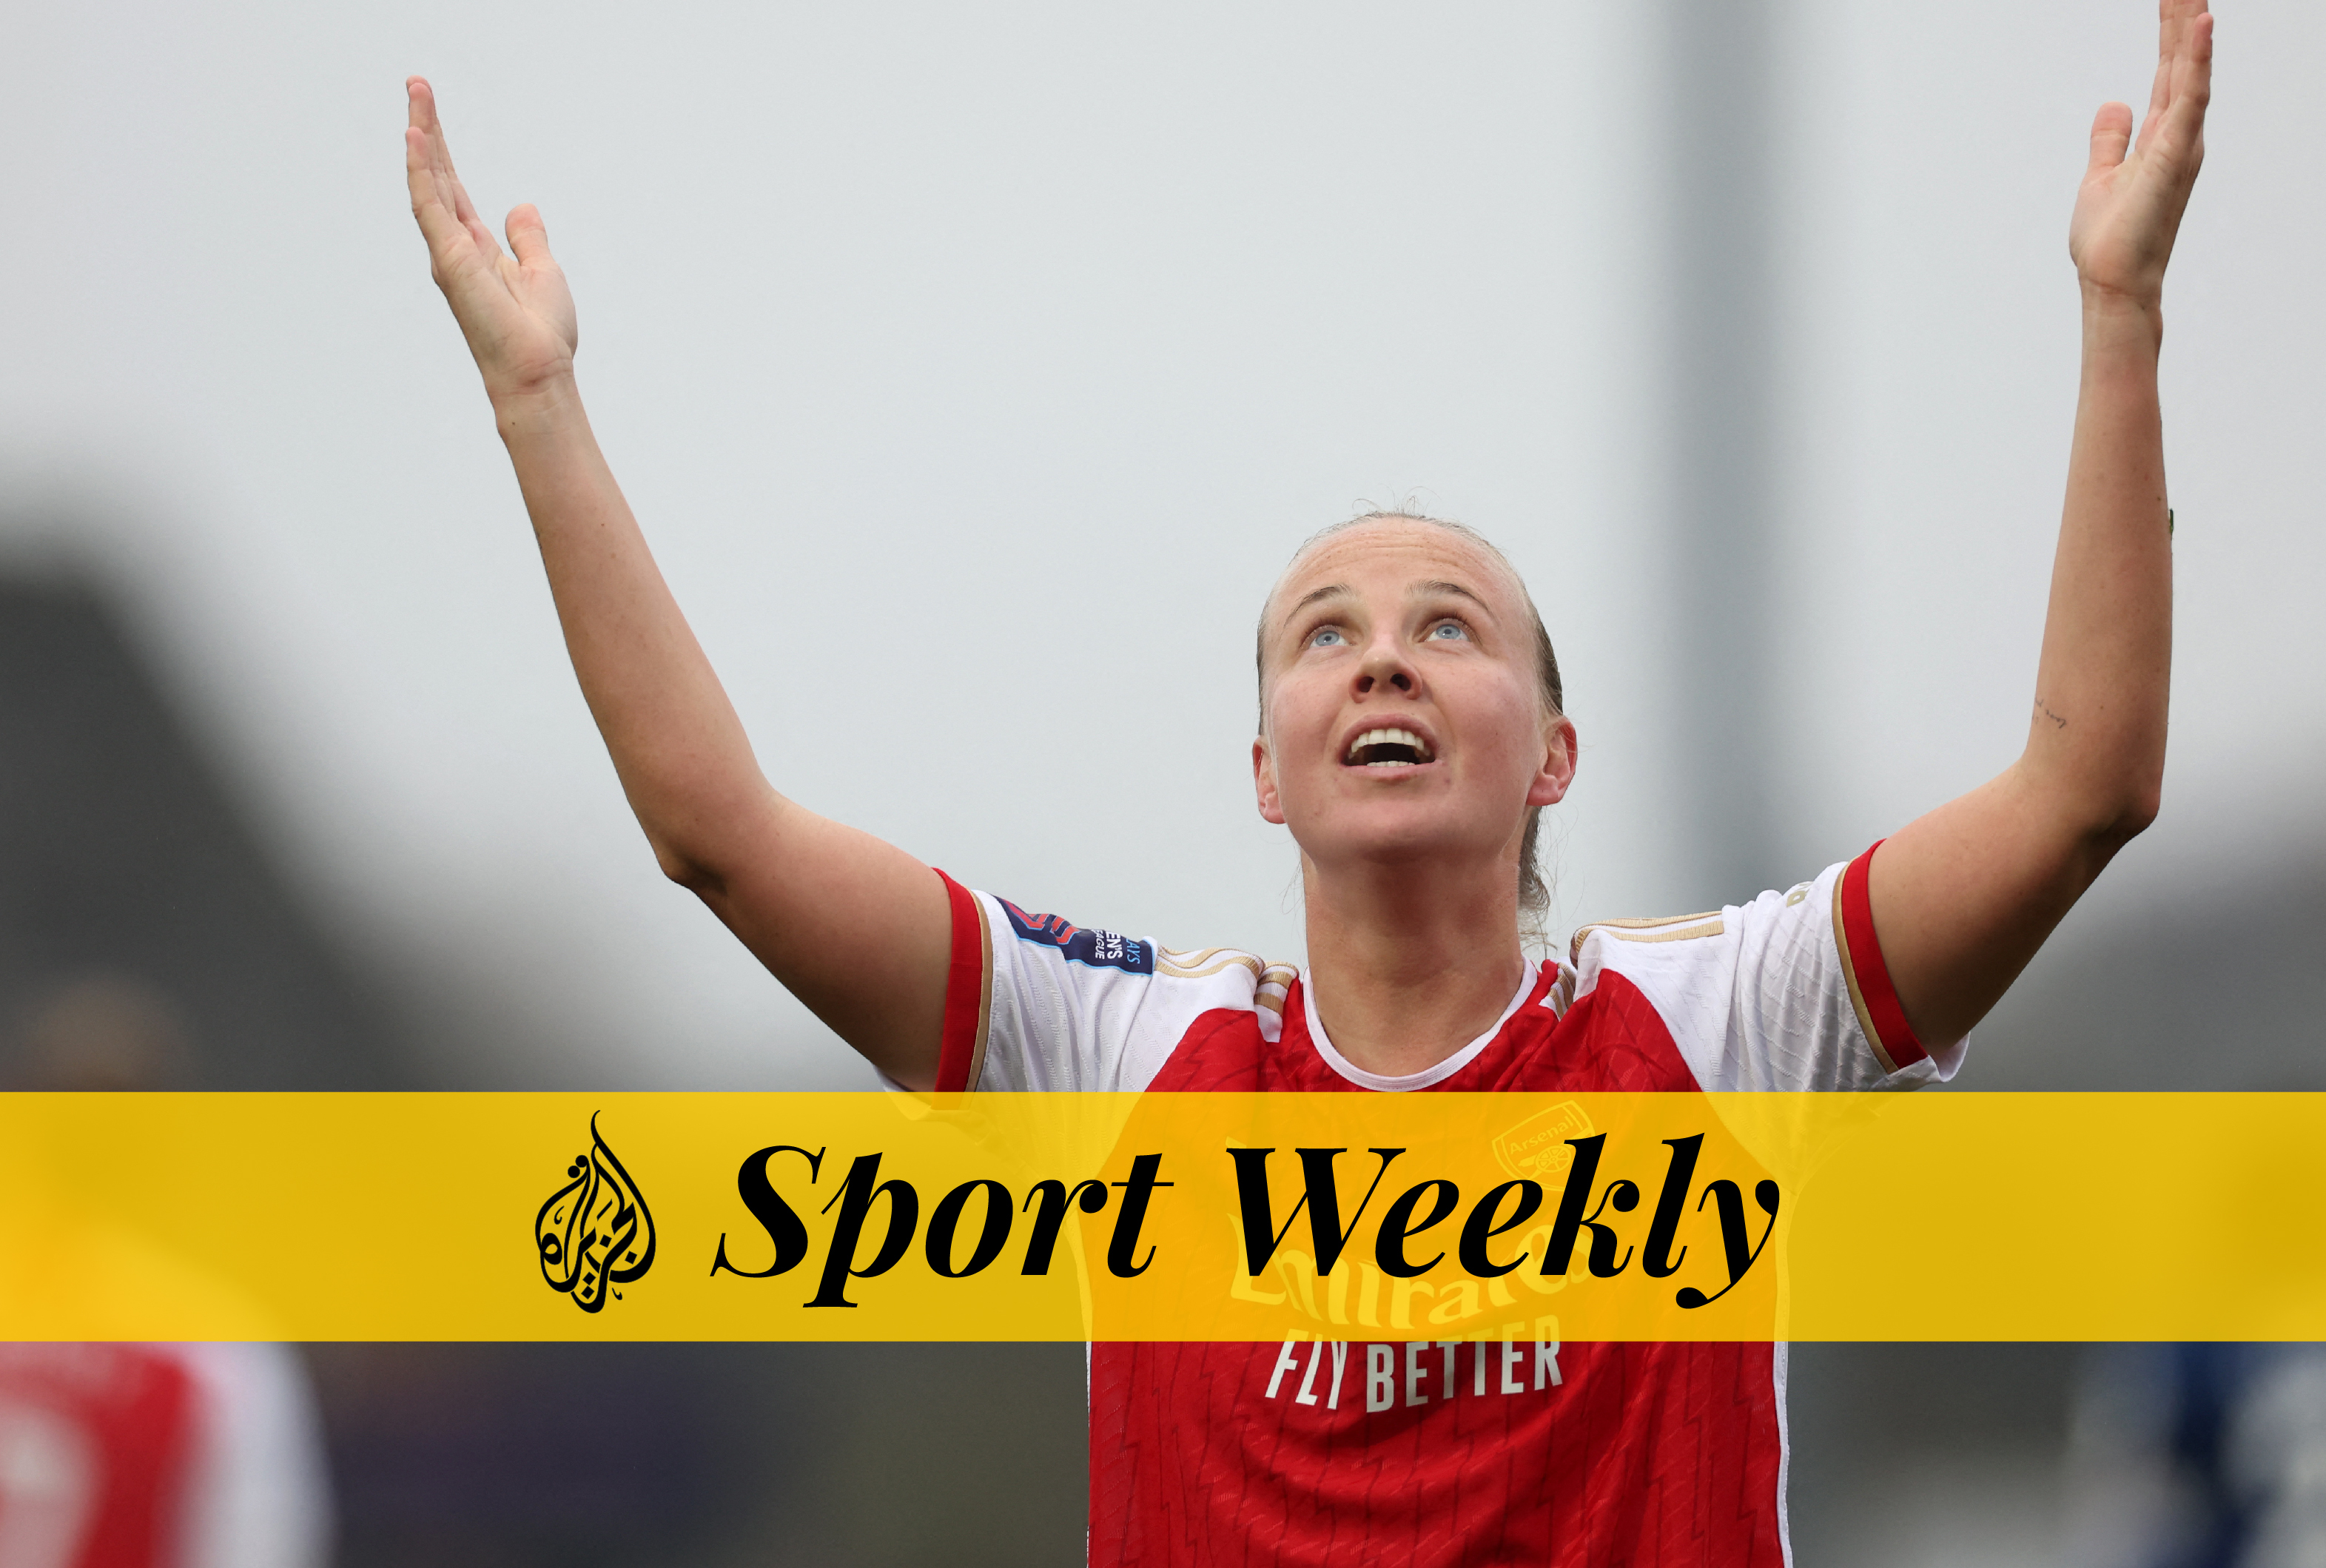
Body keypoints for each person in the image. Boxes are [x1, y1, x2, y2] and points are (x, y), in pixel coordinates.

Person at [403, 2, 2211, 1560]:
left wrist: (2117, 311)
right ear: (1266, 771)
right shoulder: (1118, 1061)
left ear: (1554, 759)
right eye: (1323, 632)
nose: (1385, 654)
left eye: (1452, 625)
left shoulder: (1725, 1031)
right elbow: (718, 835)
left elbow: (2083, 788)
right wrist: (540, 415)